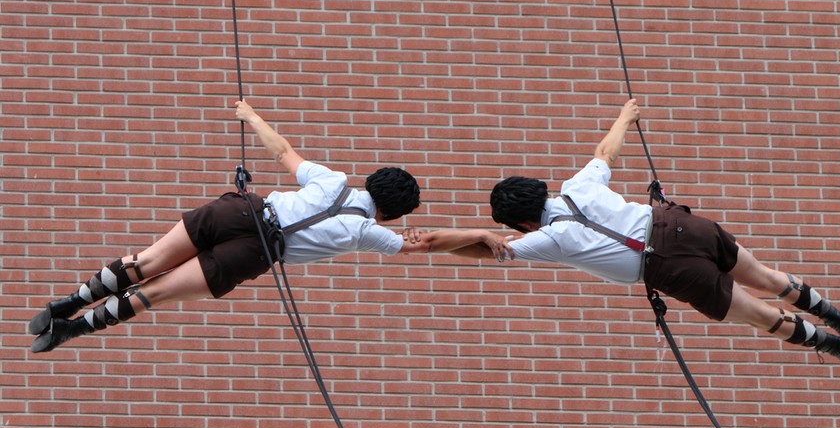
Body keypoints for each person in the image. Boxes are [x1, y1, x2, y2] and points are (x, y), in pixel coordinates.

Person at [29, 100, 508, 353]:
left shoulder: (333, 180)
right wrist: (479, 234)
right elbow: (425, 244)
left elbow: (282, 152)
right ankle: (72, 329)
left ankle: (66, 304)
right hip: (257, 248)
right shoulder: (372, 233)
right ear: (395, 213)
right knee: (154, 292)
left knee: (144, 263)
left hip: (242, 212)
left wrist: (251, 115)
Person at [432, 99, 840, 369]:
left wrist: (445, 240)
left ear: (522, 224)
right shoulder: (575, 187)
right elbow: (605, 152)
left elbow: (487, 249)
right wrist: (625, 114)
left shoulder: (547, 239)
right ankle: (839, 316)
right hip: (681, 226)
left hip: (666, 266)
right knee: (769, 279)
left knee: (759, 315)